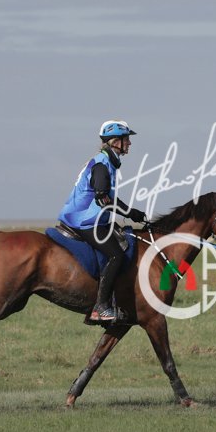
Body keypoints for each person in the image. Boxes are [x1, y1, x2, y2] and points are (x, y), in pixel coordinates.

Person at [58, 120, 147, 323]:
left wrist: (132, 212)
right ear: (115, 141)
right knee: (116, 255)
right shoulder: (101, 164)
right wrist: (130, 212)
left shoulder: (107, 162)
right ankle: (100, 308)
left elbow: (108, 197)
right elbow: (103, 198)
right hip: (84, 221)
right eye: (127, 139)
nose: (130, 143)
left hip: (92, 219)